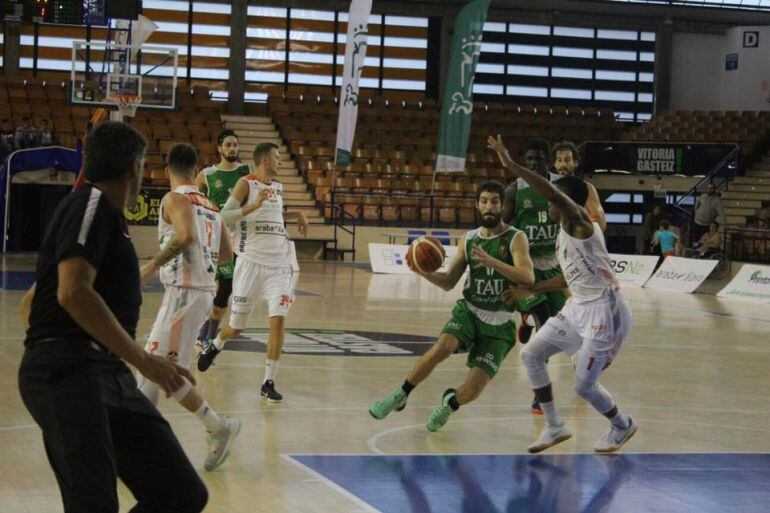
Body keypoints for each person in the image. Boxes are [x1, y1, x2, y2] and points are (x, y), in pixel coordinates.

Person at [18, 121, 208, 513]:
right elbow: (72, 291)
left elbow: (32, 301)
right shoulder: (90, 204)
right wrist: (144, 362)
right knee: (93, 504)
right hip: (70, 372)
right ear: (135, 168)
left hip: (103, 372)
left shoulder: (105, 218)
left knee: (181, 492)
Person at [488, 134, 637, 454]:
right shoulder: (562, 235)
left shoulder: (580, 225)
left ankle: (622, 423)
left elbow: (552, 191)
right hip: (578, 306)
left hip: (604, 311)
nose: (547, 206)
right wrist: (529, 288)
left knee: (583, 385)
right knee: (531, 355)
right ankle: (554, 425)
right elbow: (564, 278)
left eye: (552, 201)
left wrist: (511, 164)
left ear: (562, 203)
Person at [369, 180, 536, 432]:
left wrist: (493, 262)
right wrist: (421, 271)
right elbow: (448, 282)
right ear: (476, 205)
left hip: (500, 323)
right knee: (442, 347)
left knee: (472, 390)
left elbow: (528, 277)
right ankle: (401, 394)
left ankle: (451, 402)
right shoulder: (468, 239)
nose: (489, 206)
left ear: (502, 205)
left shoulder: (516, 238)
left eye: (494, 201)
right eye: (484, 201)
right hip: (470, 310)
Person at [138, 143, 241, 471]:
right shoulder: (209, 203)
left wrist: (151, 266)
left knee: (156, 369)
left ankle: (215, 426)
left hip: (185, 292)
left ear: (166, 167)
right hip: (199, 293)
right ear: (195, 169)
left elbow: (184, 236)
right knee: (160, 370)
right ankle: (214, 425)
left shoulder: (174, 198)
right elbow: (226, 254)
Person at [197, 142, 309, 403]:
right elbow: (224, 217)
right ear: (265, 160)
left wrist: (298, 214)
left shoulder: (278, 187)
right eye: (277, 157)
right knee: (235, 327)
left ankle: (268, 382)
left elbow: (276, 215)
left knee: (278, 318)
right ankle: (216, 345)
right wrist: (253, 205)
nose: (281, 161)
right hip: (249, 264)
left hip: (279, 265)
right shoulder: (245, 184)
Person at [502, 138, 567, 416]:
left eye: (538, 159)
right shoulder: (514, 190)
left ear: (547, 160)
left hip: (552, 265)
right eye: (528, 160)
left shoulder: (560, 187)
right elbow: (504, 229)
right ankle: (540, 395)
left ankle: (526, 319)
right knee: (544, 326)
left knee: (555, 328)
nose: (533, 164)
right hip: (526, 266)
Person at [194, 129, 252, 350]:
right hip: (212, 239)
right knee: (215, 288)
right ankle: (203, 333)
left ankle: (205, 334)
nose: (232, 149)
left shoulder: (247, 172)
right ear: (219, 148)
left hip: (240, 239)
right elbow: (191, 199)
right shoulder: (206, 175)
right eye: (228, 145)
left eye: (235, 145)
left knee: (226, 289)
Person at [552, 141, 607, 231]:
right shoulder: (551, 187)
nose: (563, 165)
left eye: (567, 160)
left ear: (575, 163)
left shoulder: (586, 187)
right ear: (555, 164)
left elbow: (600, 223)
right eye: (559, 160)